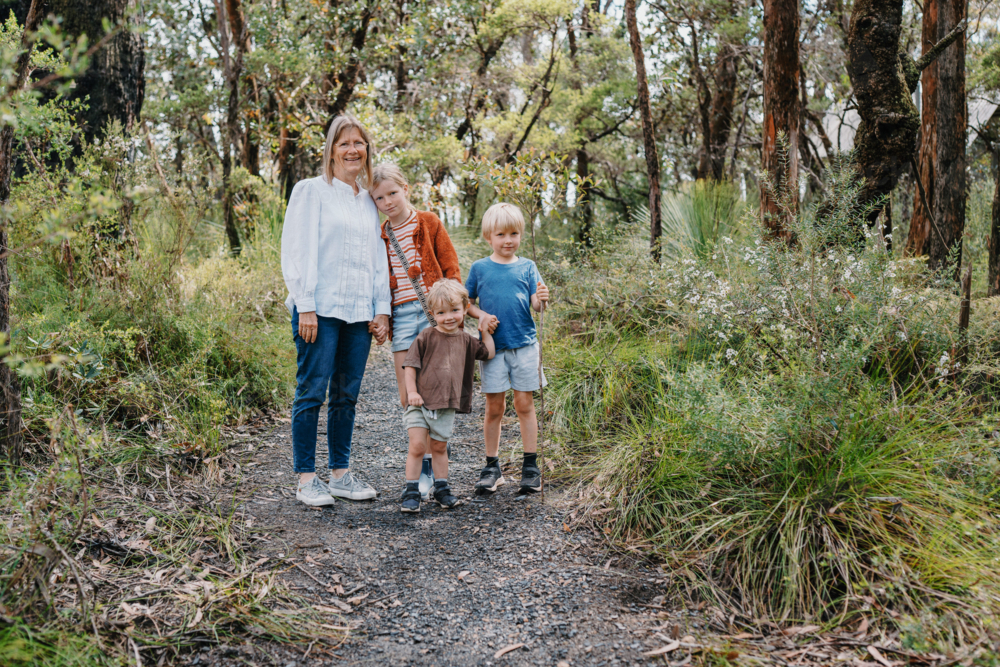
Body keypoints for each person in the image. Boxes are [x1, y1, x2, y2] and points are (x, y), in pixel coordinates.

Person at [280, 114, 391, 507]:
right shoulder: (311, 191)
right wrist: (305, 304)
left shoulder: (368, 201)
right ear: (331, 149)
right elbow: (297, 248)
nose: (352, 150)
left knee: (347, 394)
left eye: (358, 143)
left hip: (358, 312)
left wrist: (382, 310)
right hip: (320, 309)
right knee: (311, 391)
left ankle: (341, 474)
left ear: (367, 150)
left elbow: (378, 258)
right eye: (344, 143)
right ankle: (307, 479)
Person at [370, 163, 478, 500]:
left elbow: (450, 266)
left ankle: (433, 464)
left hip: (436, 311)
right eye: (379, 198)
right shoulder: (381, 235)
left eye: (393, 193)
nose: (388, 202)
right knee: (408, 392)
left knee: (438, 386)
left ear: (405, 189)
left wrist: (457, 311)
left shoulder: (428, 222)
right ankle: (422, 455)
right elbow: (379, 279)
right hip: (402, 315)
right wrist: (383, 315)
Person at [465, 203, 550, 495]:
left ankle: (531, 466)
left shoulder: (527, 266)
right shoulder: (480, 268)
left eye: (514, 233)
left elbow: (536, 304)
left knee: (524, 404)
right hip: (493, 348)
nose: (508, 240)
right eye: (500, 234)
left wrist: (541, 298)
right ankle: (492, 467)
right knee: (494, 407)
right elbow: (466, 303)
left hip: (525, 345)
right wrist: (481, 317)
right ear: (489, 236)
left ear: (521, 235)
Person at [399, 279, 496, 512]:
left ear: (465, 309)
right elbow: (410, 367)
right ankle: (411, 489)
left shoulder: (465, 340)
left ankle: (441, 487)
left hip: (445, 405)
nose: (449, 317)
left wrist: (485, 330)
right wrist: (411, 392)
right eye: (441, 313)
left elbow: (489, 353)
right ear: (433, 314)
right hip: (420, 403)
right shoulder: (426, 336)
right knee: (418, 446)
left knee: (440, 447)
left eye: (455, 310)